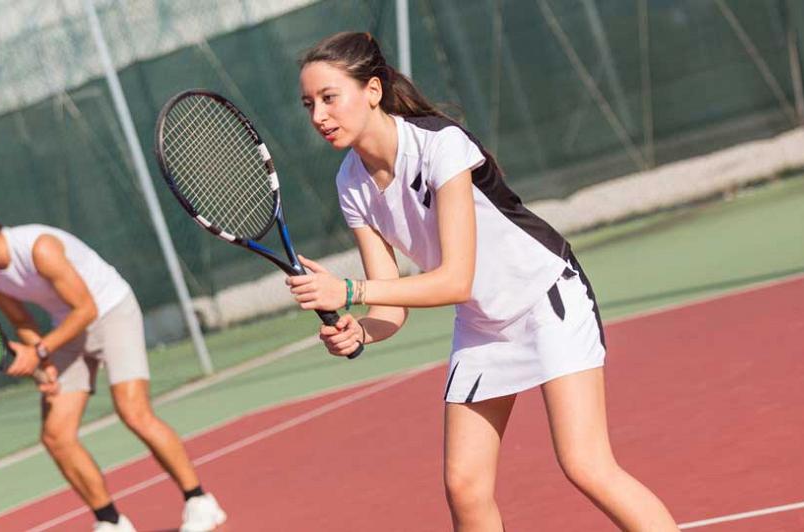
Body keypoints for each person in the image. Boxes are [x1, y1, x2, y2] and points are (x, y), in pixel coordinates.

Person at [288, 32, 678, 531]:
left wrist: (348, 290)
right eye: (308, 104)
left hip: (545, 298)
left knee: (586, 464)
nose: (318, 116)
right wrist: (360, 330)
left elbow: (454, 279)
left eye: (328, 98)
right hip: (482, 324)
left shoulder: (439, 145)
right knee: (465, 487)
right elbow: (390, 303)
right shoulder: (350, 183)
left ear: (372, 91)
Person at [0, 192, 226, 532]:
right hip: (67, 328)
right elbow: (23, 322)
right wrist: (40, 365)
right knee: (56, 436)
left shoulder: (38, 248)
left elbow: (86, 308)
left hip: (111, 310)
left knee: (133, 412)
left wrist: (39, 352)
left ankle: (200, 501)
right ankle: (112, 522)